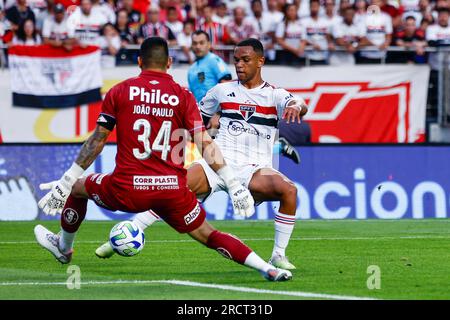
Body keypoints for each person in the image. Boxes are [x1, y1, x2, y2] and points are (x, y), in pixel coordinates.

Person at [34, 36, 292, 282]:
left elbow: (97, 141)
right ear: (169, 63)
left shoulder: (120, 91)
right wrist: (233, 185)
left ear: (138, 62)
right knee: (209, 235)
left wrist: (67, 181)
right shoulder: (182, 95)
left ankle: (64, 247)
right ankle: (266, 268)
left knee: (79, 190)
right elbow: (205, 143)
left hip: (127, 188)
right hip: (171, 190)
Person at [96, 38, 308, 270]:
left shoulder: (275, 95)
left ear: (260, 61)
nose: (239, 65)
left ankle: (278, 255)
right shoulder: (221, 91)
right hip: (216, 164)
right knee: (170, 190)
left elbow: (298, 102)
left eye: (246, 60)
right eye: (236, 60)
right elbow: (196, 119)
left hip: (254, 168)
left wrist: (296, 107)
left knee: (289, 191)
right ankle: (124, 235)